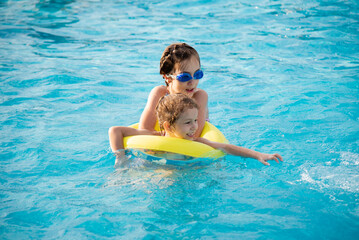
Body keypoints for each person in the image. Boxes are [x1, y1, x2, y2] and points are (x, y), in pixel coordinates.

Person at [109, 94, 283, 167]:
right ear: (168, 126)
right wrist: (120, 157)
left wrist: (258, 154)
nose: (194, 127)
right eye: (188, 122)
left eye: (195, 121)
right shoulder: (154, 135)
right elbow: (115, 130)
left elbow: (226, 147)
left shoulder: (196, 141)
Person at [139, 43, 208, 138]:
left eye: (197, 74)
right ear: (167, 78)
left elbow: (194, 135)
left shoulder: (199, 96)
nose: (192, 82)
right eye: (184, 77)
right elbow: (144, 128)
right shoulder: (160, 94)